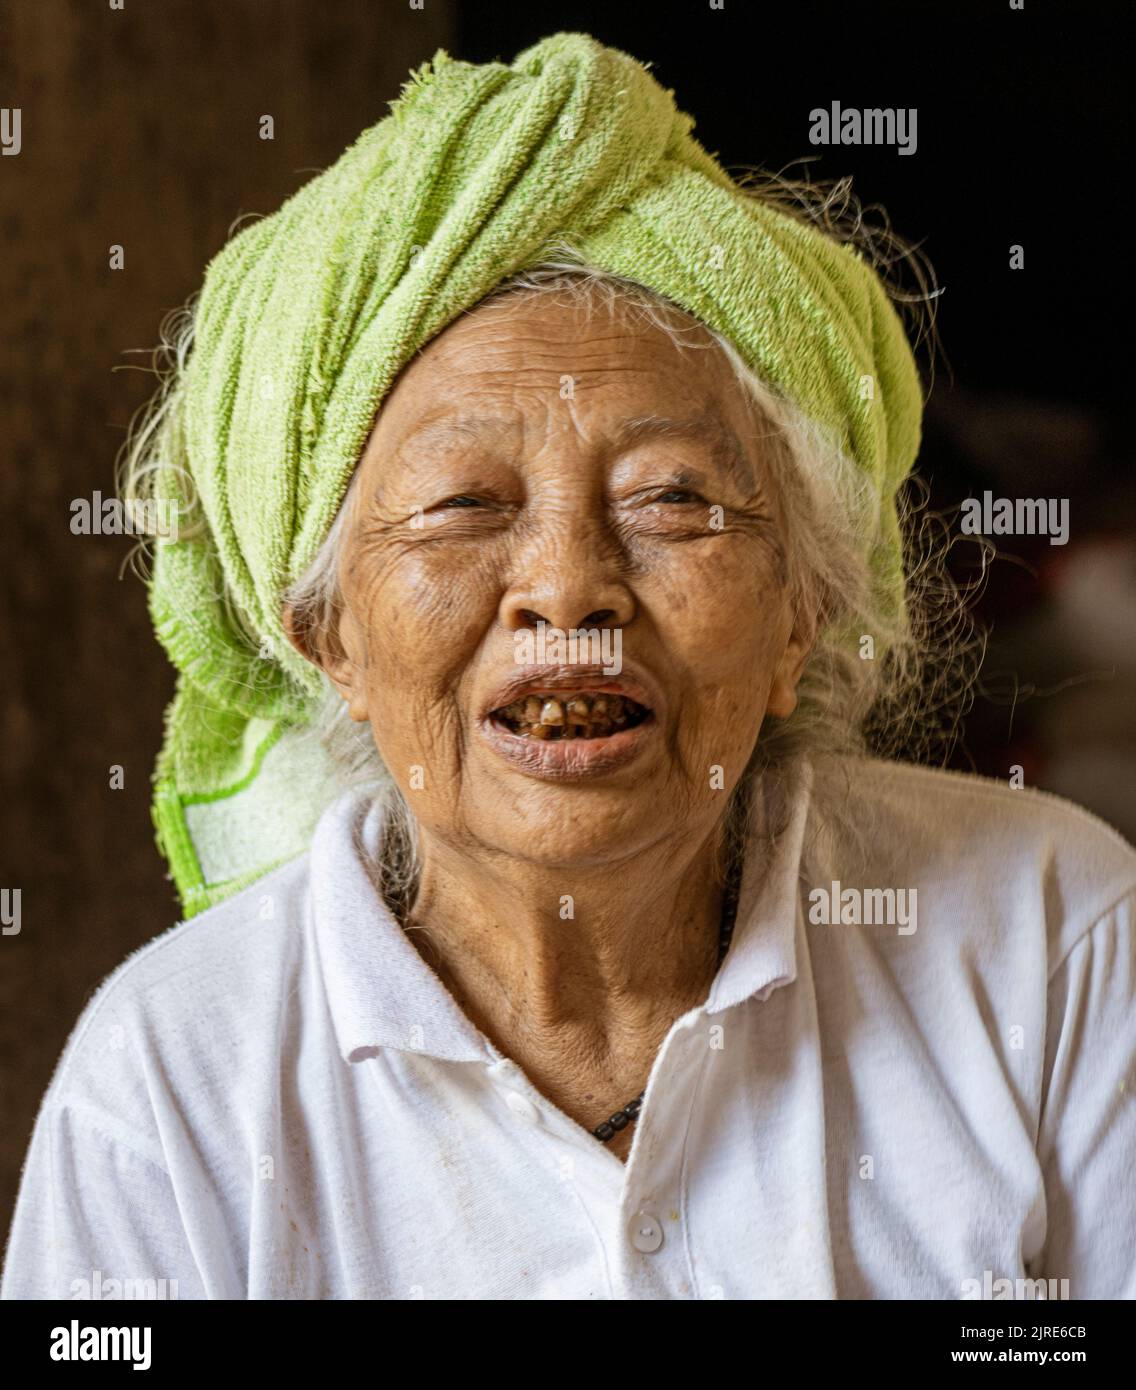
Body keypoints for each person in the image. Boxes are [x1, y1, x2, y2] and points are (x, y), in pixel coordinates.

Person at [3, 32, 1134, 1300]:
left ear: (796, 618)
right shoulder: (165, 1094)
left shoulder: (1051, 937)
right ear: (330, 642)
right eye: (461, 504)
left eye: (671, 499)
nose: (567, 587)